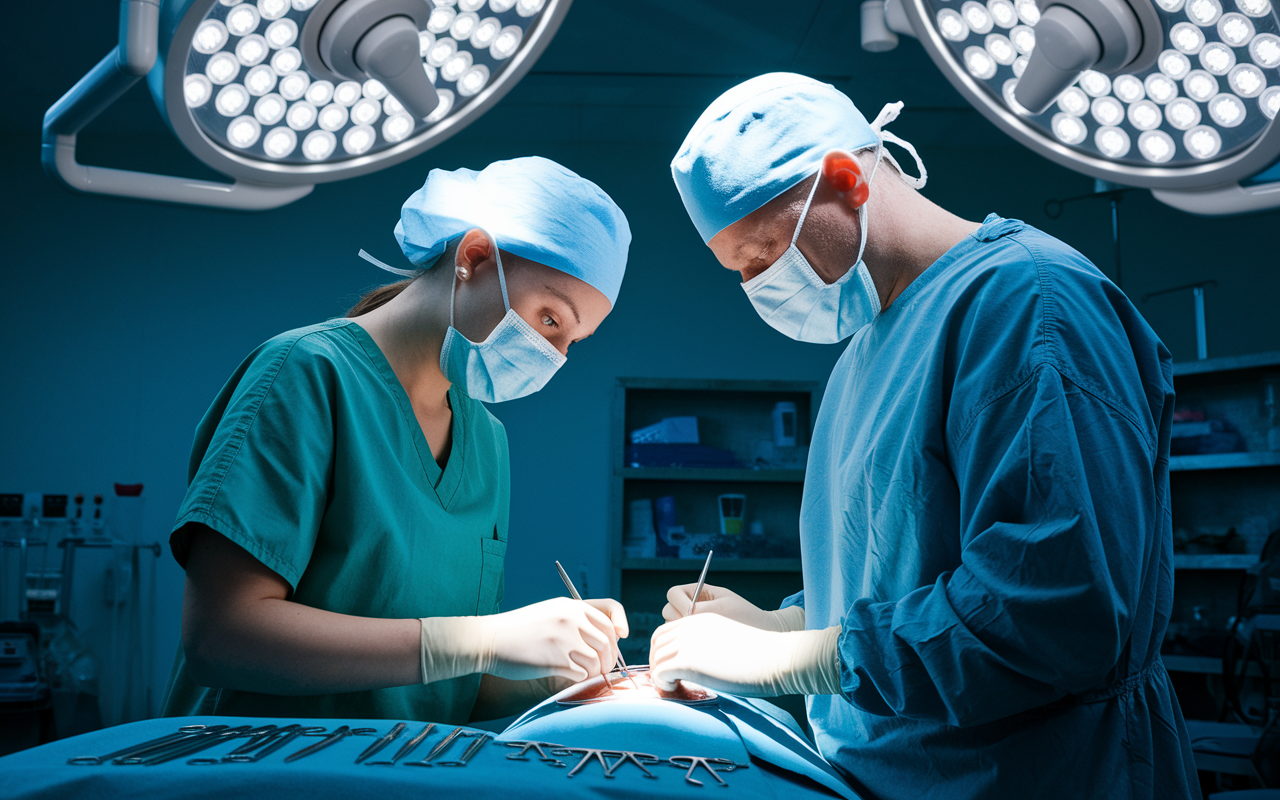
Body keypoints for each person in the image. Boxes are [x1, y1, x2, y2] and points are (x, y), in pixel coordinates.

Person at [650, 73, 1197, 799]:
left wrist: (801, 660)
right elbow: (896, 568)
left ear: (846, 180)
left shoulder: (1028, 303)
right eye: (740, 271)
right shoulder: (865, 353)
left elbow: (1054, 611)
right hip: (886, 775)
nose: (757, 284)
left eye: (764, 252)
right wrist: (784, 623)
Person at [162, 156, 633, 725]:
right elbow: (222, 638)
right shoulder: (306, 373)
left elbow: (438, 684)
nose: (554, 356)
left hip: (398, 773)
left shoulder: (486, 440)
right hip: (257, 769)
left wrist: (548, 677)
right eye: (551, 319)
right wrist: (479, 640)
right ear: (474, 257)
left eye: (573, 341)